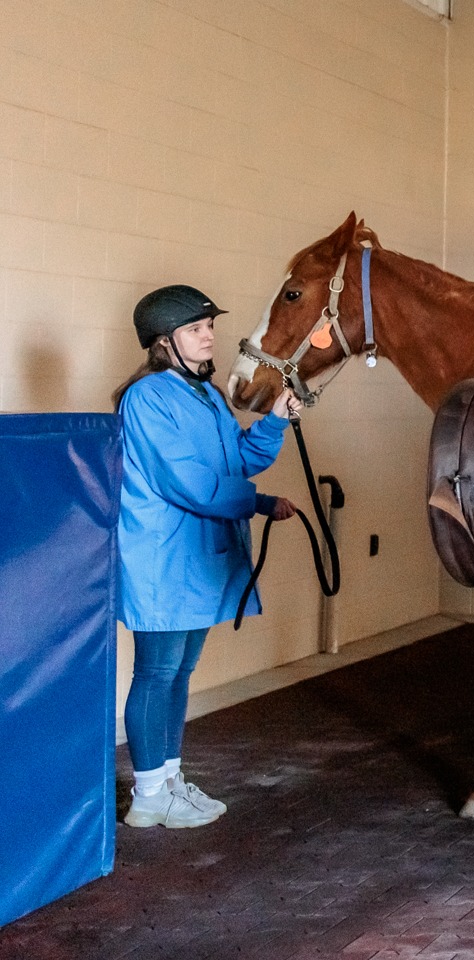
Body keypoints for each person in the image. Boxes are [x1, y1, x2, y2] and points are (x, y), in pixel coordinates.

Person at [112, 284, 300, 829]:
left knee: (179, 672)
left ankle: (168, 779)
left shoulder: (207, 395)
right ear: (164, 341)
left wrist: (277, 419)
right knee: (157, 671)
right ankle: (148, 795)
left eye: (209, 327)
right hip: (164, 557)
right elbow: (190, 484)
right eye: (196, 329)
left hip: (197, 557)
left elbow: (235, 461)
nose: (209, 335)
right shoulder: (147, 398)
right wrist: (257, 505)